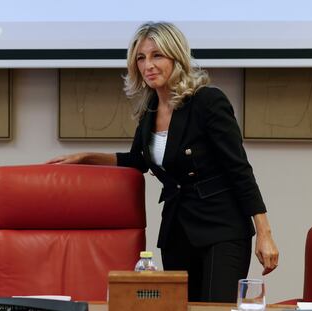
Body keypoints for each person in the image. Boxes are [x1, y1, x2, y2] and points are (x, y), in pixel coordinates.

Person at [47, 22, 279, 302]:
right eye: (141, 58)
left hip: (221, 228)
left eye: (157, 55)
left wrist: (264, 233)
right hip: (177, 229)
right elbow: (137, 161)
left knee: (216, 308)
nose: (148, 65)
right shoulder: (150, 110)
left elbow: (239, 169)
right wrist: (87, 157)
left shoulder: (207, 101)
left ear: (176, 57)